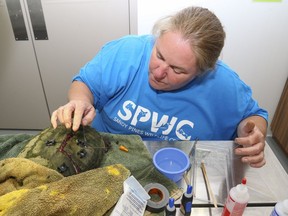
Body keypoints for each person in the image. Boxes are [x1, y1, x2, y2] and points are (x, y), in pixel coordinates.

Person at [51, 6, 268, 168]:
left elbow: (253, 116)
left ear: (203, 71)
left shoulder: (223, 85)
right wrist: (80, 100)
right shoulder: (127, 52)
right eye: (159, 55)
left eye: (177, 69)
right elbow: (85, 83)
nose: (158, 71)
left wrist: (251, 133)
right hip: (104, 154)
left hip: (175, 167)